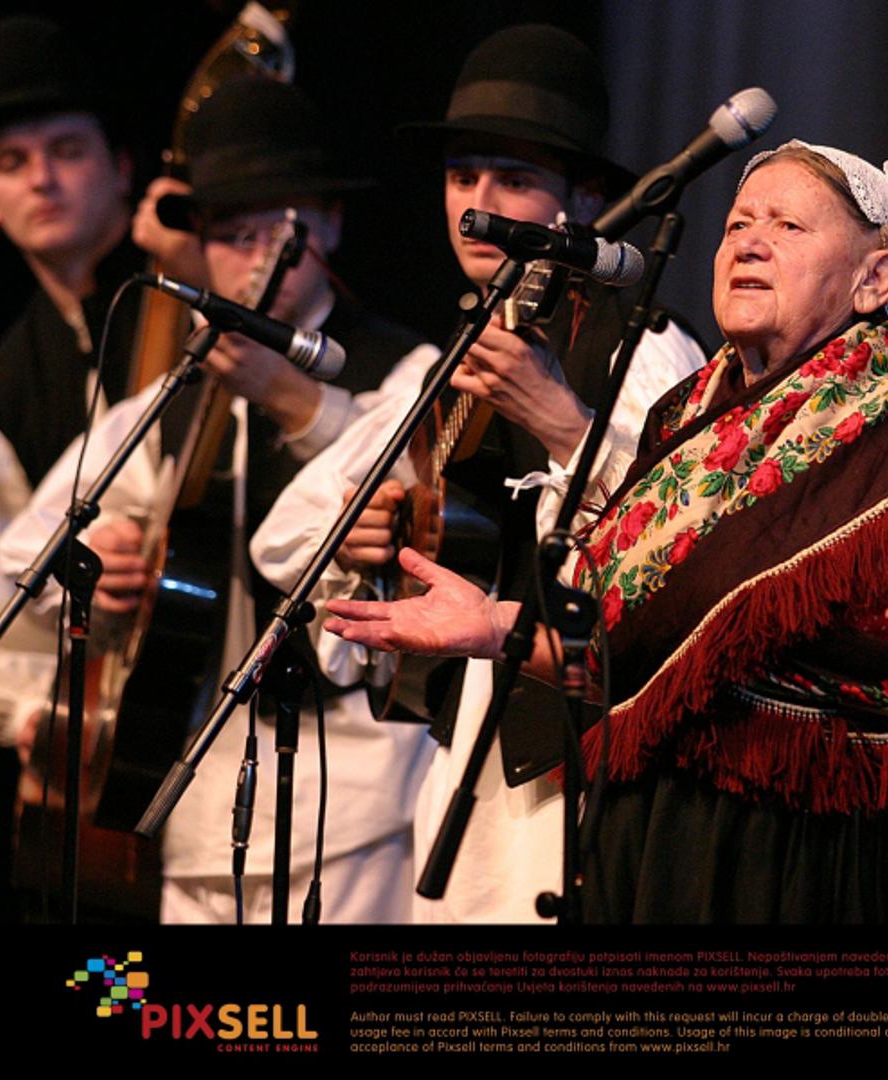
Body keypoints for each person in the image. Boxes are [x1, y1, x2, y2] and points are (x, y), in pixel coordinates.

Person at [324, 139, 888, 924]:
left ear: (874, 278)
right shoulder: (684, 420)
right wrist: (494, 629)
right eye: (738, 222)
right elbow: (632, 663)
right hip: (671, 847)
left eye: (787, 226)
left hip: (843, 855)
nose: (749, 242)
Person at [250, 24, 707, 923]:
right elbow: (288, 537)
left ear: (583, 199)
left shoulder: (643, 346)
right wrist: (371, 535)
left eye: (513, 180)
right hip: (467, 748)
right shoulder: (453, 359)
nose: (477, 206)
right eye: (462, 178)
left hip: (580, 752)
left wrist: (561, 420)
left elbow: (691, 541)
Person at [0, 77, 440, 923]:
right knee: (158, 998)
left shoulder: (405, 368)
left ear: (329, 225)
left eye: (278, 231)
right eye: (232, 235)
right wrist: (95, 568)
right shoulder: (180, 393)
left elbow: (412, 490)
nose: (256, 256)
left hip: (355, 800)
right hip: (192, 796)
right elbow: (26, 547)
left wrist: (299, 404)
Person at [0, 15, 140, 750]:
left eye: (67, 151)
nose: (41, 179)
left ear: (122, 167)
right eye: (11, 162)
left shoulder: (189, 308)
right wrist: (34, 716)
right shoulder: (11, 381)